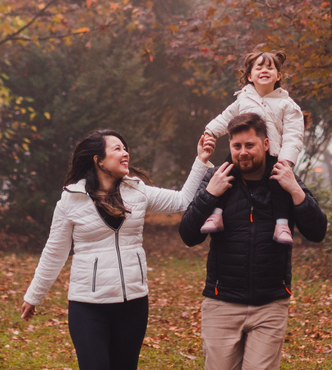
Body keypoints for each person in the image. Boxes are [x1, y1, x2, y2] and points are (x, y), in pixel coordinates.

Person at [21, 129, 215, 370]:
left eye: (125, 149)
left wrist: (201, 160)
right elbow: (54, 251)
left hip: (133, 303)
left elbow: (182, 201)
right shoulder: (71, 200)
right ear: (98, 160)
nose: (125, 154)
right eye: (117, 149)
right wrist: (34, 295)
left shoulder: (137, 191)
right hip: (88, 305)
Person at [179, 112, 327, 370]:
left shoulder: (284, 178)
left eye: (250, 145)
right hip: (221, 302)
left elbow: (317, 231)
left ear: (266, 144)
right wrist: (210, 194)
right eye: (237, 146)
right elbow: (188, 235)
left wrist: (295, 189)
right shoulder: (217, 178)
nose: (243, 152)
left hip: (270, 306)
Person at [200, 50, 306, 244]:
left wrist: (286, 160)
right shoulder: (243, 99)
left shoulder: (287, 104)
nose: (264, 70)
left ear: (278, 76)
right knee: (225, 174)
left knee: (279, 186)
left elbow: (294, 134)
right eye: (259, 67)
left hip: (274, 155)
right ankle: (216, 214)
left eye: (270, 67)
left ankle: (281, 225)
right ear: (250, 76)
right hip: (243, 153)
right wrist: (210, 132)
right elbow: (225, 118)